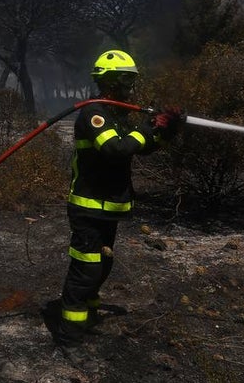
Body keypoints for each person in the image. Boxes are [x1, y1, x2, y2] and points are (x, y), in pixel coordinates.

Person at [56, 50, 184, 347]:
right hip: (88, 209)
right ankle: (69, 339)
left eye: (133, 80)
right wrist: (147, 128)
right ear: (110, 81)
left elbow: (140, 146)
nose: (131, 87)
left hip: (107, 209)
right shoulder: (94, 113)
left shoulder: (120, 115)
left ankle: (86, 321)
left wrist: (166, 131)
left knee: (102, 267)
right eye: (127, 80)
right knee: (85, 271)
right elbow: (115, 149)